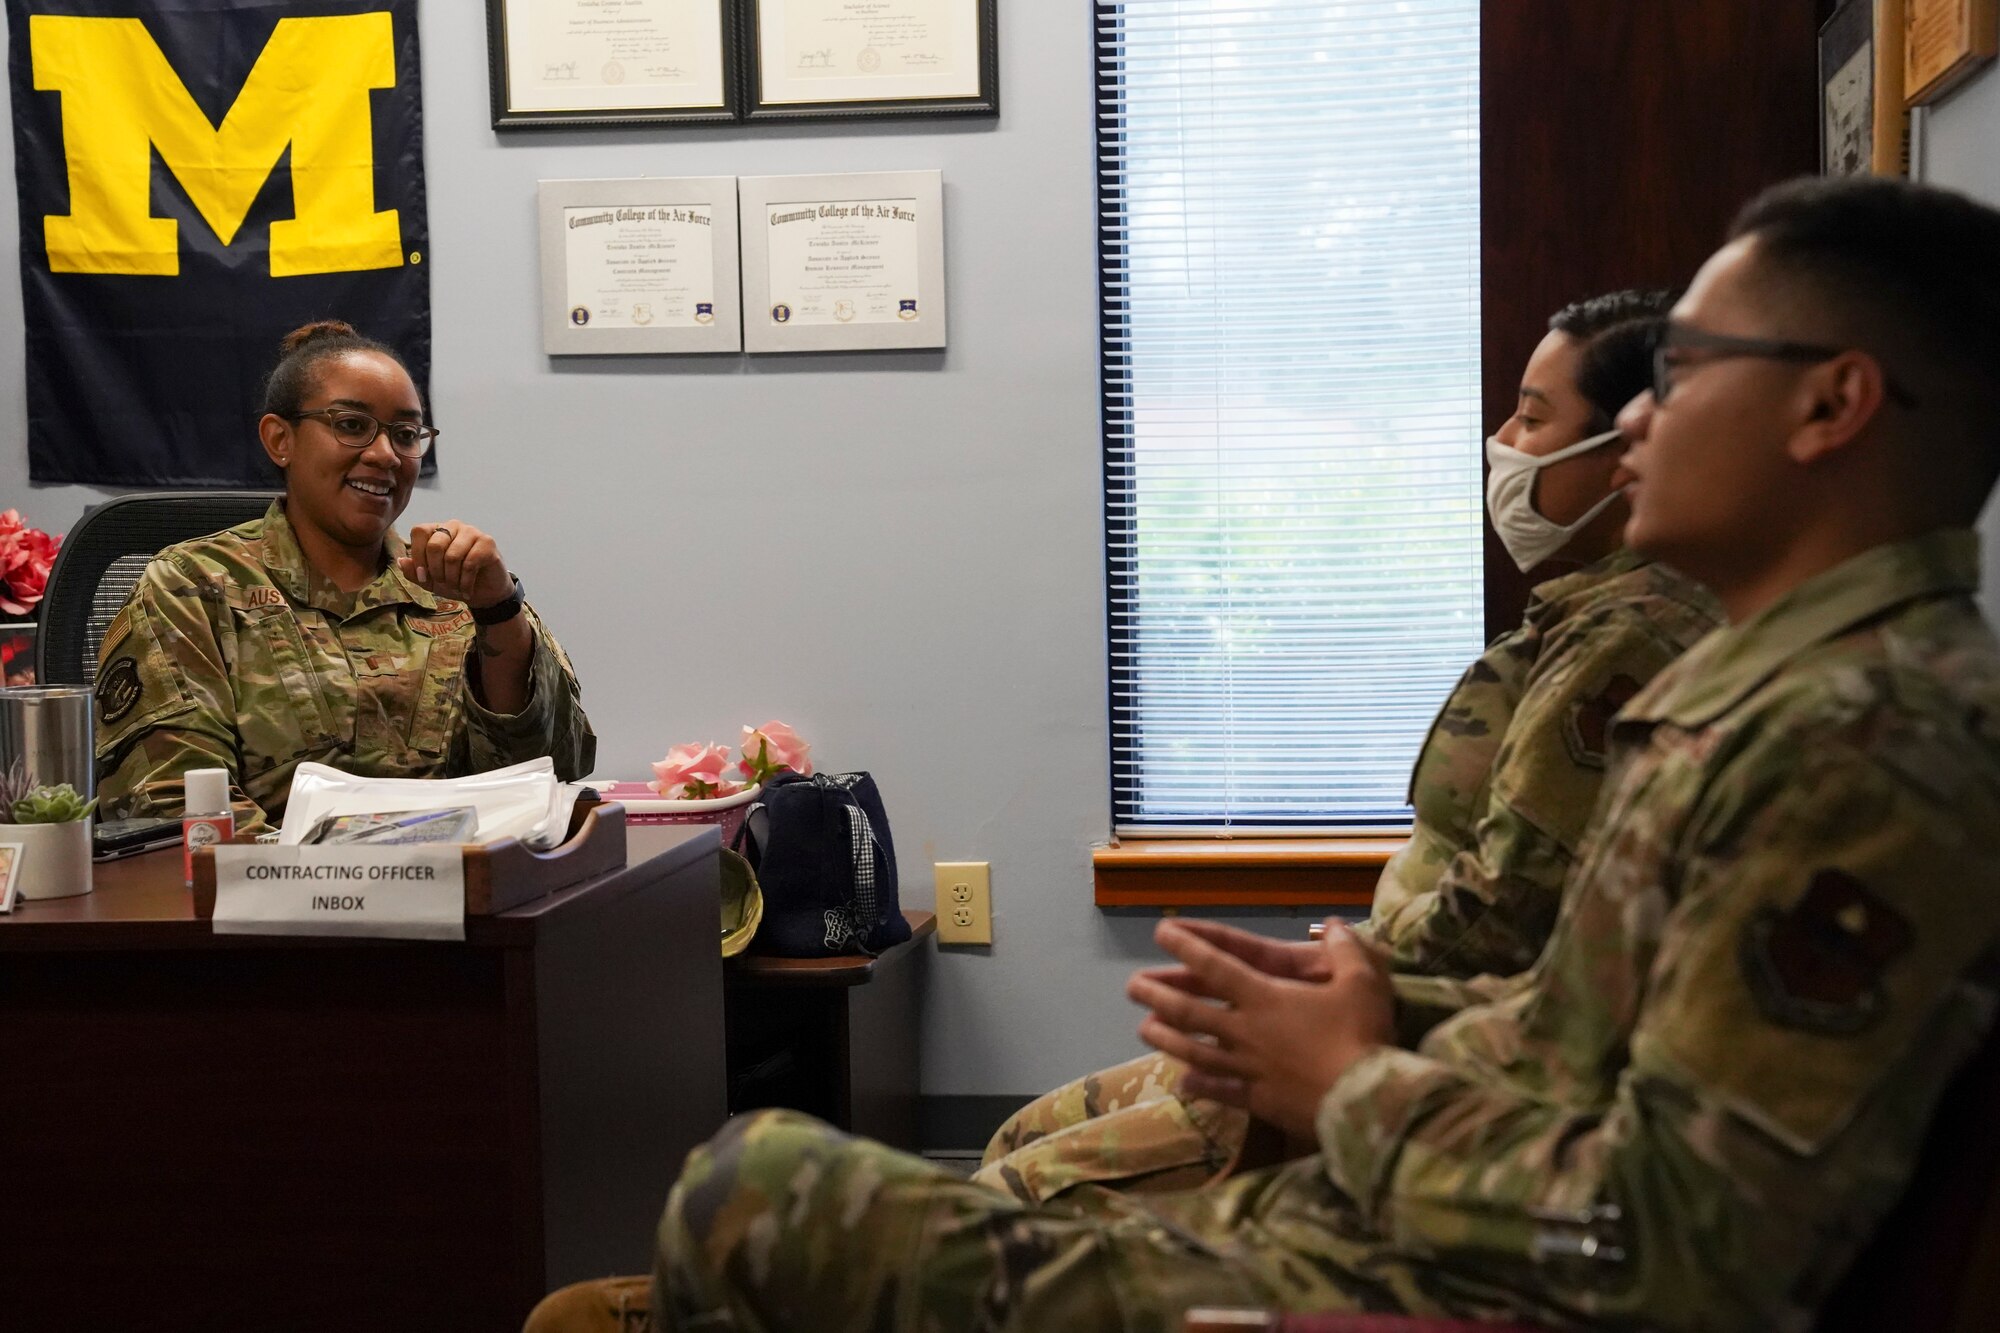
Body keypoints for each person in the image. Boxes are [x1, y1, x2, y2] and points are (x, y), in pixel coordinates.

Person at [644, 175, 2000, 1332]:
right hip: (1396, 1222)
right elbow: (1576, 1044)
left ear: (1832, 406)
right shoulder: (1779, 696)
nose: (1639, 417)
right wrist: (1349, 1013)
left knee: (748, 1190)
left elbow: (1676, 1249)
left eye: (1689, 371)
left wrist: (1347, 1078)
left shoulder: (1864, 752)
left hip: (1422, 1280)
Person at [976, 295, 1722, 1206]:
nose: (1501, 440)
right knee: (1013, 1131)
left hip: (1406, 1045)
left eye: (1531, 415)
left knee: (1009, 1200)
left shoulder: (1628, 641)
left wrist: (1322, 1001)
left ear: (1624, 452)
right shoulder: (1583, 611)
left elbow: (1502, 922)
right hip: (1374, 997)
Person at [94, 321, 595, 834]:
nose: (384, 455)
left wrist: (499, 611)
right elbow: (171, 802)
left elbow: (554, 776)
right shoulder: (193, 586)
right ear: (279, 439)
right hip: (269, 900)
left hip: (463, 891)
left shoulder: (457, 587)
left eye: (405, 435)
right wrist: (331, 881)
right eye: (352, 425)